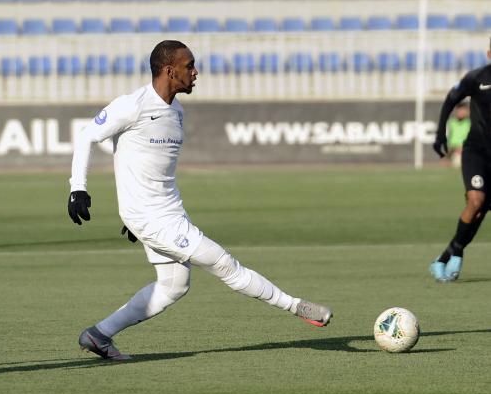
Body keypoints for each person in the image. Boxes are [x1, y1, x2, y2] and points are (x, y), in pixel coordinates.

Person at [67, 40, 332, 361]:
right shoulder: (132, 105)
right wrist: (78, 188)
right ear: (169, 70)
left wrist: (134, 215)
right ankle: (296, 306)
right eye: (189, 66)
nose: (195, 73)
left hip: (165, 213)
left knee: (174, 285)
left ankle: (98, 335)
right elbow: (86, 136)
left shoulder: (177, 112)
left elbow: (147, 165)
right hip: (152, 218)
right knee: (224, 264)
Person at [430, 37, 491, 282]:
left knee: (481, 210)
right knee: (476, 201)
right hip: (476, 151)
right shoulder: (477, 78)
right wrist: (439, 134)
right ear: (489, 53)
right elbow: (451, 99)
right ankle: (455, 253)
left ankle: (448, 255)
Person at [446, 102, 471, 169]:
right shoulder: (451, 122)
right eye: (460, 110)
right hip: (454, 151)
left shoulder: (470, 123)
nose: (461, 112)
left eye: (463, 110)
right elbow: (448, 139)